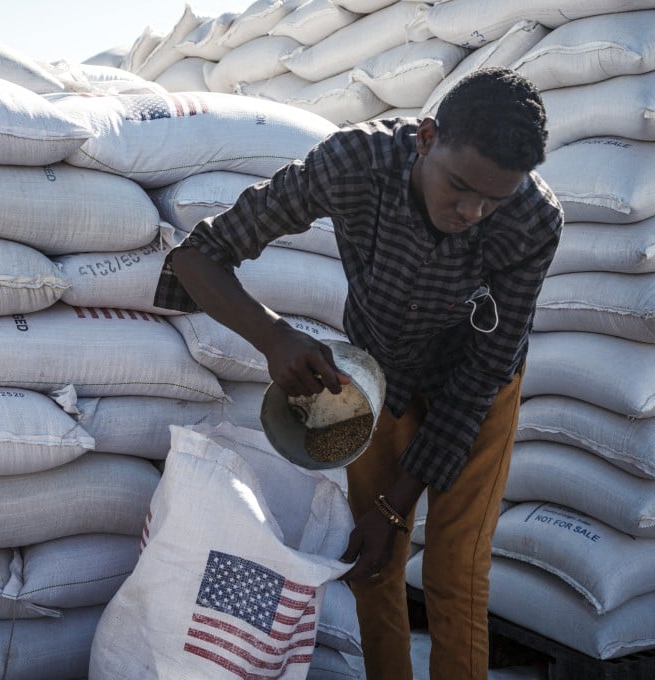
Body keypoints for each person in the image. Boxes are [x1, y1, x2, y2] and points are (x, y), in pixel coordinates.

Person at [153, 66, 563, 680]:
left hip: (478, 389)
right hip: (377, 378)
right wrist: (273, 337)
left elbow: (481, 377)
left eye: (492, 199)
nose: (473, 211)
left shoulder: (533, 221)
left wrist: (397, 504)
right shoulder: (354, 162)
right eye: (458, 187)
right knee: (375, 563)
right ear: (426, 138)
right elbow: (197, 256)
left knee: (456, 570)